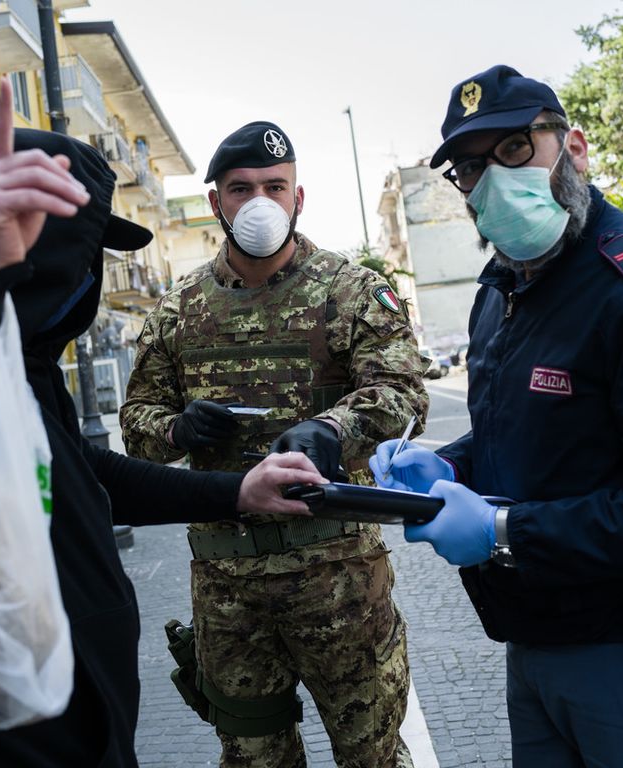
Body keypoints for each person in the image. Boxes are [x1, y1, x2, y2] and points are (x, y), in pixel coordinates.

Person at [0, 78, 327, 768]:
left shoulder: (22, 364)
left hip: (79, 723)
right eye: (81, 246)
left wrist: (237, 491)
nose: (92, 274)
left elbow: (87, 473)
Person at [370, 64, 623, 767]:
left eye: (513, 149)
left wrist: (503, 531)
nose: (494, 182)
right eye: (472, 169)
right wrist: (448, 466)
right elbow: (522, 429)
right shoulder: (501, 289)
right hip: (530, 638)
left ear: (574, 148)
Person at [120, 120, 427, 767]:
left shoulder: (349, 291)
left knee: (372, 757)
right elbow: (137, 423)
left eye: (274, 186)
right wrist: (176, 429)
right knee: (254, 758)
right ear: (216, 202)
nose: (259, 201)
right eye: (241, 188)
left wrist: (334, 428)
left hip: (338, 576)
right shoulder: (176, 310)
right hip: (227, 589)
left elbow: (404, 393)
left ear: (298, 197)